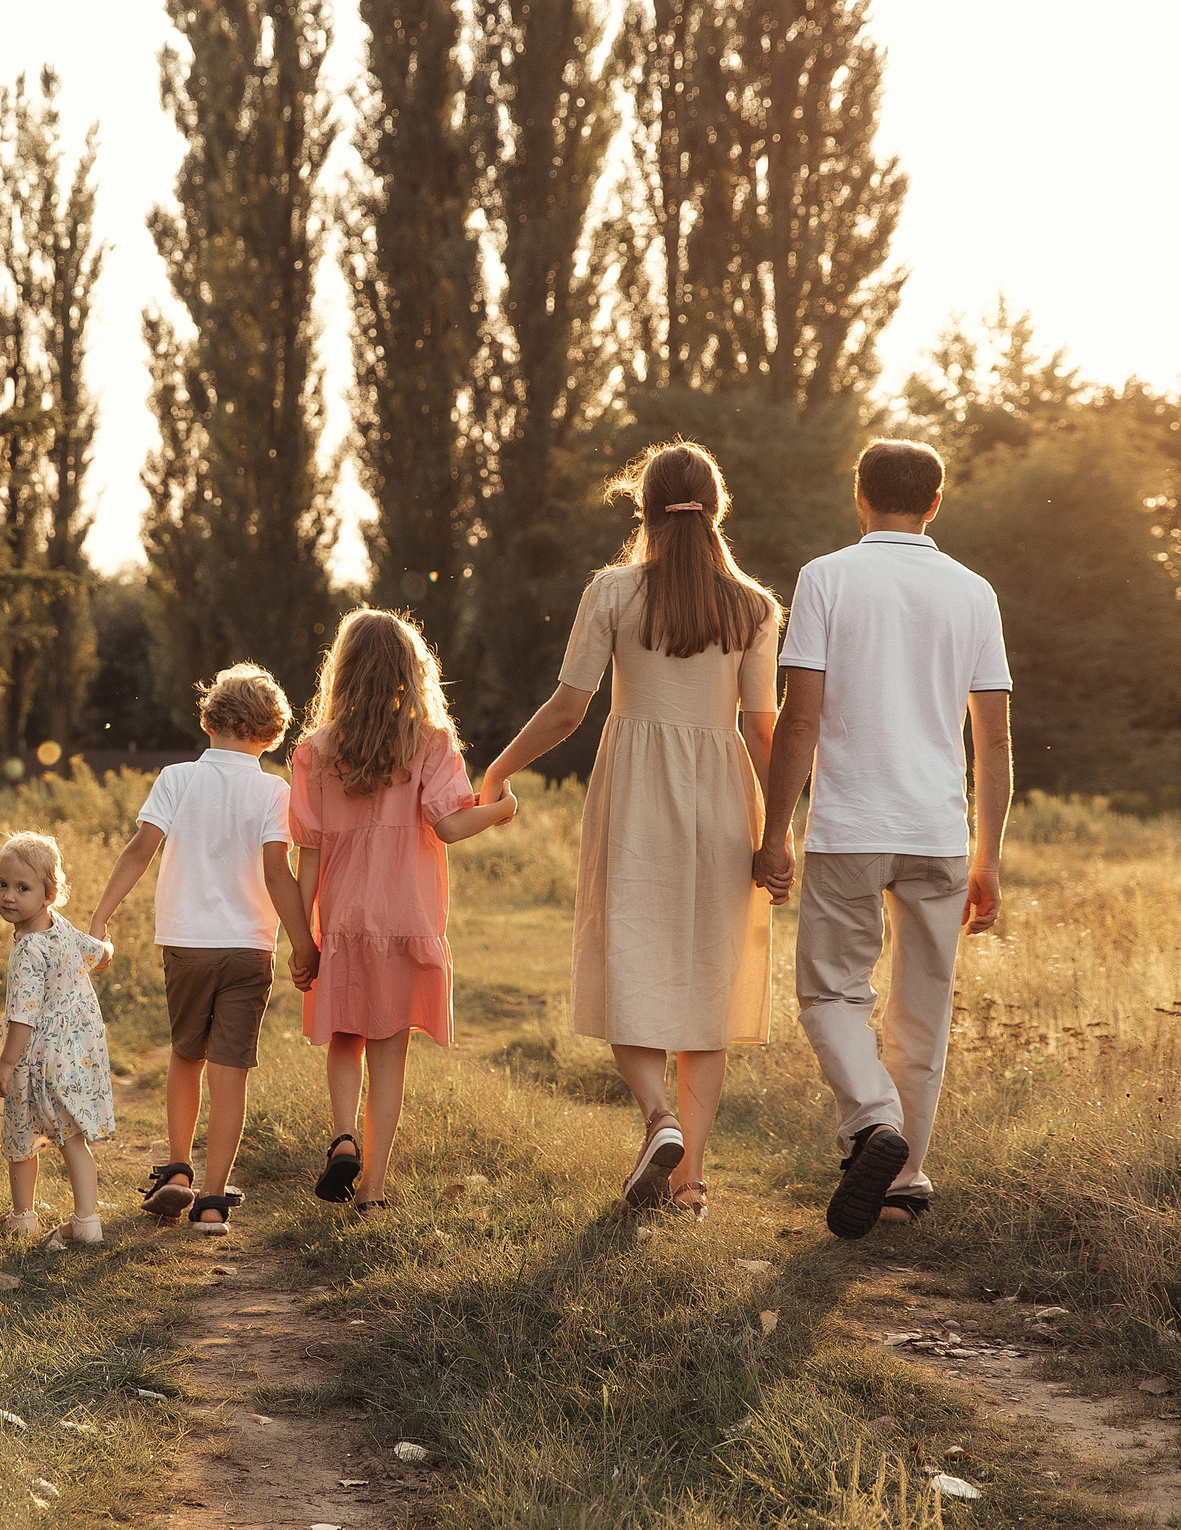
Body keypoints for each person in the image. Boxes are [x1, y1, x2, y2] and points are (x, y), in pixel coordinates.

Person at [478, 442, 782, 1218]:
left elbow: (568, 709)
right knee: (708, 983)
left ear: (641, 507)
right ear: (718, 506)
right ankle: (690, 1188)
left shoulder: (613, 591)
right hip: (722, 797)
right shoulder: (753, 606)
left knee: (628, 958)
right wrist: (777, 831)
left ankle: (660, 1117)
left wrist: (498, 769)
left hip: (637, 791)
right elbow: (764, 730)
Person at [751, 438, 1013, 1240]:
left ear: (858, 497)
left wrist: (774, 829)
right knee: (922, 1008)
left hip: (849, 827)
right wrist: (989, 856)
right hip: (938, 829)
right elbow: (994, 743)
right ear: (936, 502)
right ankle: (903, 1184)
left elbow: (800, 719)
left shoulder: (826, 578)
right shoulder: (974, 592)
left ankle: (872, 1123)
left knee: (830, 993)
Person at [289, 610, 517, 1212]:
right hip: (406, 917)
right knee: (390, 1049)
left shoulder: (316, 750)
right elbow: (447, 825)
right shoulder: (430, 741)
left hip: (341, 920)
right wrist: (499, 809)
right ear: (409, 673)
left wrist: (303, 938)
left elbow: (307, 853)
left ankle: (343, 1138)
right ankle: (373, 1190)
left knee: (345, 1037)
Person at [89, 665, 318, 1236]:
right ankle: (213, 1202)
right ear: (271, 735)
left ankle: (177, 1171)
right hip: (247, 949)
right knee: (230, 1069)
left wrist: (100, 917)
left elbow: (140, 851)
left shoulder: (175, 778)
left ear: (209, 718)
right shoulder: (273, 789)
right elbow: (277, 871)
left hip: (185, 943)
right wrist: (303, 942)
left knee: (185, 1054)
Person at [0, 831, 116, 1250]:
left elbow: (23, 1015)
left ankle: (23, 1218)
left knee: (19, 1136)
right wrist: (108, 946)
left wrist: (5, 1064)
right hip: (74, 1055)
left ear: (49, 894)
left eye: (23, 888)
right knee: (73, 1137)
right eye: (2, 885)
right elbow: (99, 953)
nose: (9, 897)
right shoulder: (63, 929)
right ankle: (87, 1222)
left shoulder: (28, 950)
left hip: (35, 1056)